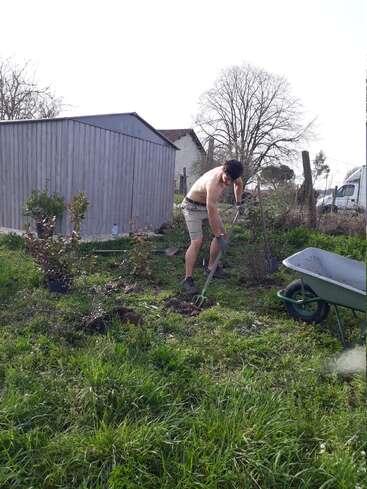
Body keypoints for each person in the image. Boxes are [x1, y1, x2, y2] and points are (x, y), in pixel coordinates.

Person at [181, 159, 244, 294]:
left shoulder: (233, 174)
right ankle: (188, 279)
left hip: (206, 206)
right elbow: (212, 211)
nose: (228, 183)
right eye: (227, 179)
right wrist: (217, 235)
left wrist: (239, 203)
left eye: (231, 180)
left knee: (223, 235)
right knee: (197, 241)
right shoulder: (213, 183)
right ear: (223, 171)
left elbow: (239, 184)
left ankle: (211, 267)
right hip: (191, 207)